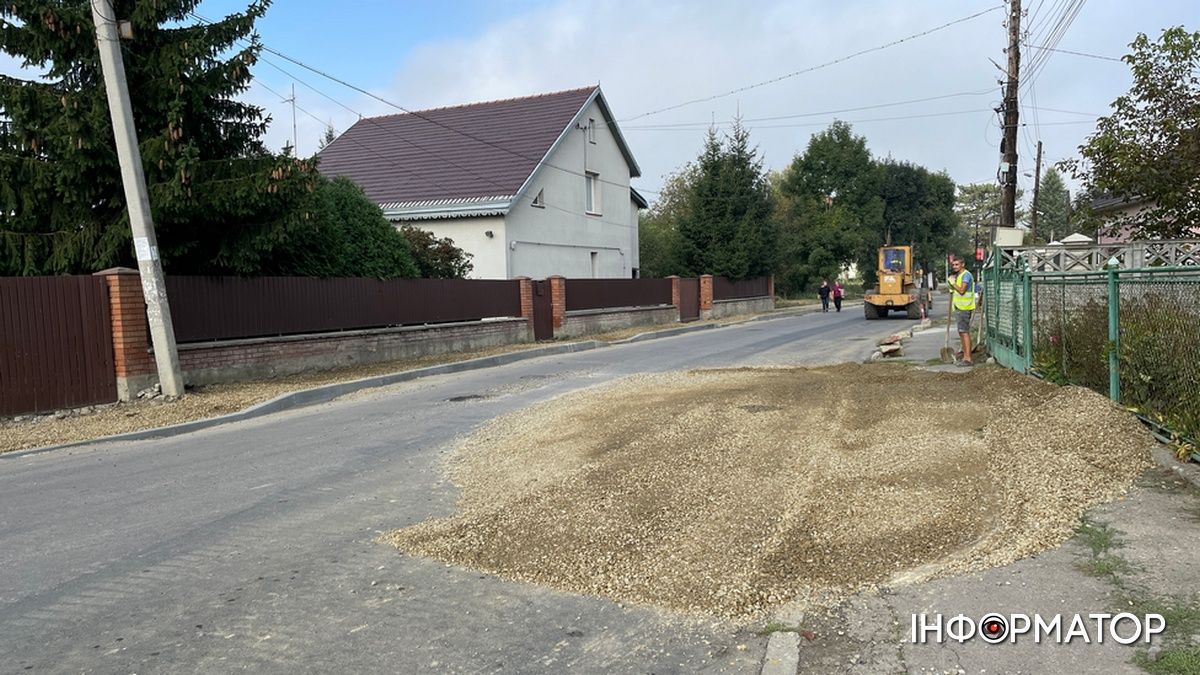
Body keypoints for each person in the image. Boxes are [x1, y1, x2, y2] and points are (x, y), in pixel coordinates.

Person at [948, 255, 975, 366]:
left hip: (965, 307)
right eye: (953, 265)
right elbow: (954, 290)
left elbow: (962, 290)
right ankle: (965, 356)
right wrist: (951, 284)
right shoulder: (959, 275)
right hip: (959, 307)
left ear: (962, 264)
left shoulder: (966, 275)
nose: (954, 266)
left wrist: (953, 283)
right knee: (961, 332)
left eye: (957, 264)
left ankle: (968, 359)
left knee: (964, 332)